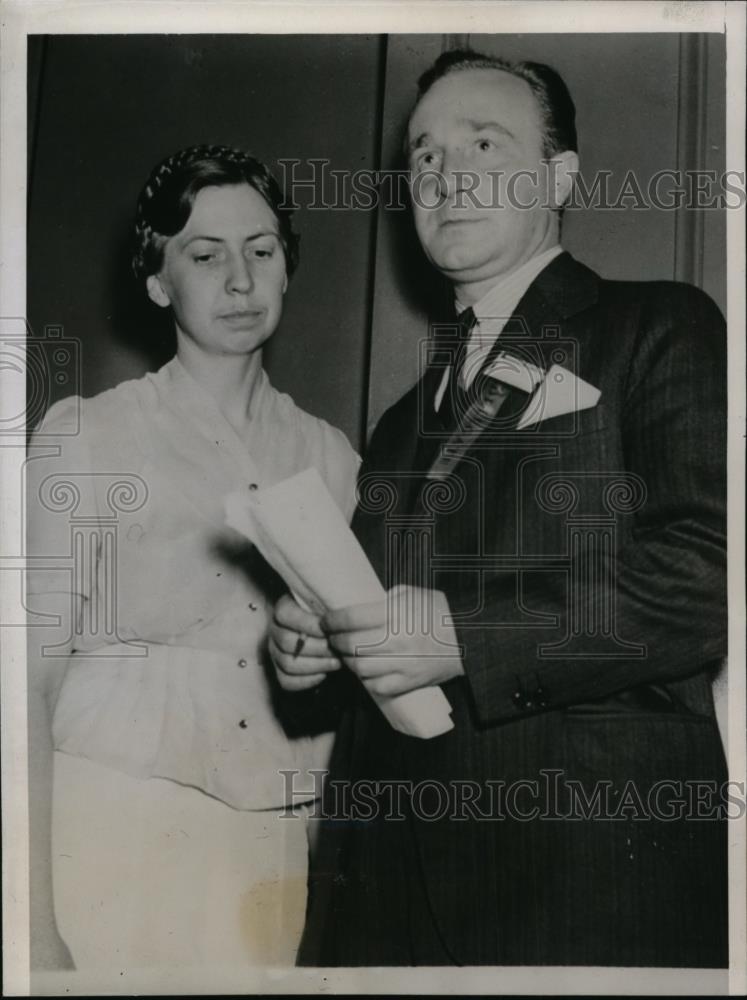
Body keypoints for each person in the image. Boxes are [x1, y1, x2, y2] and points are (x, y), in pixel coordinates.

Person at [270, 51, 729, 967]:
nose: (448, 175)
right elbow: (384, 627)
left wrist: (469, 640)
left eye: (485, 142)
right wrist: (316, 645)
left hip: (584, 874)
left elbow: (708, 576)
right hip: (393, 888)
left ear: (560, 176)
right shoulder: (403, 422)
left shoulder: (660, 326)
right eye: (426, 155)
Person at [26, 144, 359, 974]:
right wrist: (31, 927)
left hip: (268, 849)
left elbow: (331, 703)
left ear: (287, 266)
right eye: (205, 256)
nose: (239, 281)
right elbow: (23, 683)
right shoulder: (89, 434)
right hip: (111, 825)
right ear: (156, 280)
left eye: (261, 250)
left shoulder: (332, 459)